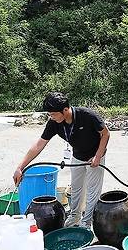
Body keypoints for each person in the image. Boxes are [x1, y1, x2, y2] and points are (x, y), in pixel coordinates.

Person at [13, 92, 109, 228]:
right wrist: (20, 167)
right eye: (49, 114)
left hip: (95, 155)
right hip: (77, 156)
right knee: (76, 189)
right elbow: (39, 145)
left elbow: (105, 133)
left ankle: (87, 222)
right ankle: (75, 216)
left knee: (93, 190)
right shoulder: (54, 123)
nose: (51, 117)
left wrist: (98, 156)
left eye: (53, 114)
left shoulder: (87, 115)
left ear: (65, 110)